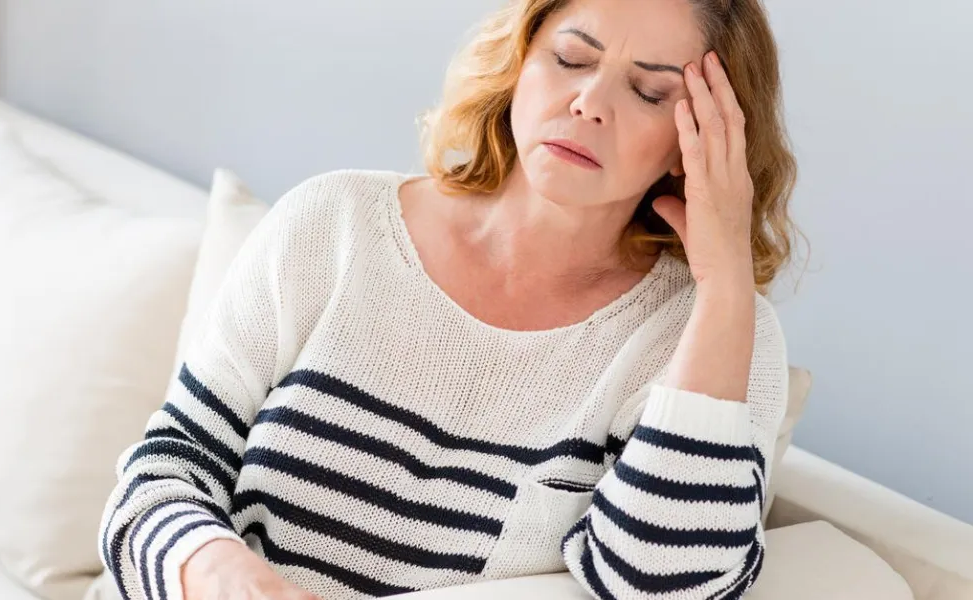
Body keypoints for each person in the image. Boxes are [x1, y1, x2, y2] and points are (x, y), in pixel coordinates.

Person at [98, 0, 798, 597]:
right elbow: (157, 480)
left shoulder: (713, 335)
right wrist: (224, 572)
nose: (590, 103)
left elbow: (661, 589)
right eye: (570, 59)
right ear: (522, 61)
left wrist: (727, 286)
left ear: (701, 141)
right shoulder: (331, 225)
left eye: (650, 92)